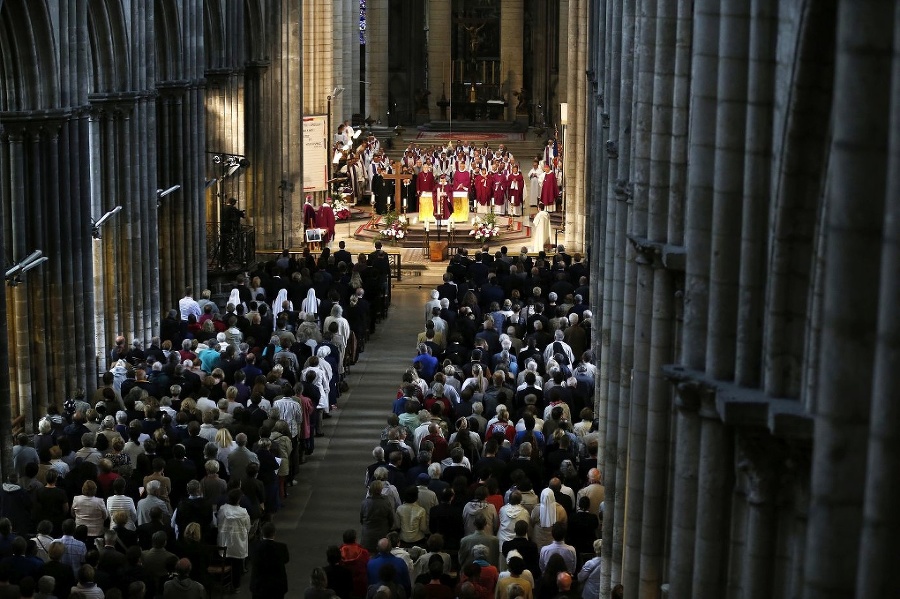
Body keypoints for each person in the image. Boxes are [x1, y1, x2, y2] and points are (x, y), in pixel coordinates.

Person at [217, 488, 251, 590]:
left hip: (225, 541)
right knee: (237, 565)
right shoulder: (243, 512)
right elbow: (247, 527)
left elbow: (219, 521)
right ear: (239, 500)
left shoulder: (223, 509)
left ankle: (225, 583)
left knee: (226, 561)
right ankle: (236, 586)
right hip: (238, 542)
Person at [250, 522, 290, 599]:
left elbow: (253, 560)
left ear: (262, 532)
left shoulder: (254, 547)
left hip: (259, 586)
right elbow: (286, 560)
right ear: (274, 533)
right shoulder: (282, 548)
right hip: (277, 587)